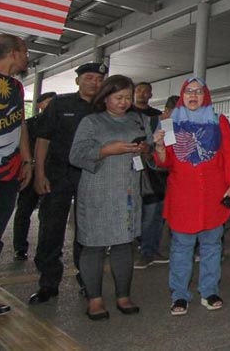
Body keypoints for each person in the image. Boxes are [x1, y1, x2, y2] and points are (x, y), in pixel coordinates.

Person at [152, 77, 230, 316]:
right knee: (181, 246)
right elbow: (166, 162)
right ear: (182, 95)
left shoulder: (217, 120)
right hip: (183, 195)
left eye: (199, 92)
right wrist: (159, 147)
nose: (193, 95)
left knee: (212, 245)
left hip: (213, 194)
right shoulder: (170, 124)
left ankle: (209, 290)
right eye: (189, 91)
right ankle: (179, 294)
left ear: (206, 96)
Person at [69, 75, 150, 320]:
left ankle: (123, 295)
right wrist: (106, 150)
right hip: (97, 192)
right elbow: (76, 155)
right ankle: (95, 299)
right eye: (118, 98)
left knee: (124, 245)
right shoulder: (91, 122)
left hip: (127, 191)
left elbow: (146, 156)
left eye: (127, 97)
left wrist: (144, 149)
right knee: (93, 245)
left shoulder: (138, 120)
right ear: (105, 97)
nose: (124, 102)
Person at [31, 61, 107, 305]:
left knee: (87, 231)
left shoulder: (106, 108)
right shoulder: (60, 104)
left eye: (98, 79)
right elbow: (43, 139)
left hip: (91, 176)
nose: (94, 82)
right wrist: (39, 173)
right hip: (58, 175)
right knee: (51, 228)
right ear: (78, 80)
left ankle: (87, 279)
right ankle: (48, 283)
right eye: (89, 78)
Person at [0, 34, 32, 317]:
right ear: (15, 53)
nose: (26, 58)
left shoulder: (16, 87)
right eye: (24, 52)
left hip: (10, 175)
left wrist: (27, 160)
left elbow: (19, 123)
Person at [13, 91, 56, 261]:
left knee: (48, 214)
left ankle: (47, 248)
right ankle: (20, 248)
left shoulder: (60, 125)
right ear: (39, 105)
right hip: (31, 172)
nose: (52, 106)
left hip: (52, 173)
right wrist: (28, 165)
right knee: (24, 210)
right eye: (48, 102)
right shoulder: (30, 125)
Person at [131, 82, 168, 269]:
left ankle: (149, 250)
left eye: (146, 91)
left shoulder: (156, 116)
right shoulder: (126, 114)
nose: (142, 94)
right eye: (138, 90)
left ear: (151, 94)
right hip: (129, 168)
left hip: (153, 170)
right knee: (133, 210)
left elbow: (164, 141)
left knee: (154, 211)